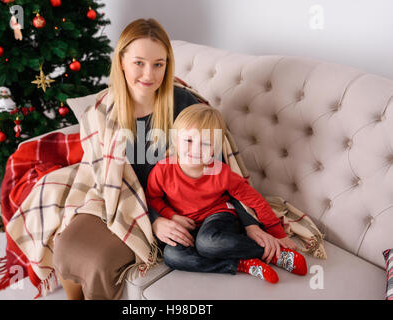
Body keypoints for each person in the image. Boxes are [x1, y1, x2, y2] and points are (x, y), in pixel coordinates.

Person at [53, 18, 292, 300]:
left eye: (158, 64)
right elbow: (104, 177)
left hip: (183, 207)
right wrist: (155, 220)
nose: (148, 74)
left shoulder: (185, 105)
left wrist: (250, 223)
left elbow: (222, 173)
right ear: (121, 62)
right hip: (127, 204)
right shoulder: (105, 113)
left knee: (99, 261)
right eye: (139, 63)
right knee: (65, 245)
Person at [145, 104, 307, 283]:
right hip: (188, 224)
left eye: (205, 144)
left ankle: (274, 254)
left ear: (215, 148)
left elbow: (255, 200)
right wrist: (171, 215)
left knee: (208, 243)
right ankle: (241, 264)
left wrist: (278, 233)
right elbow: (153, 199)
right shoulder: (162, 170)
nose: (196, 150)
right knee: (173, 256)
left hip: (218, 216)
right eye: (189, 141)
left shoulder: (220, 172)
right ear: (176, 140)